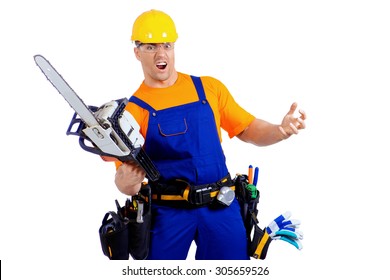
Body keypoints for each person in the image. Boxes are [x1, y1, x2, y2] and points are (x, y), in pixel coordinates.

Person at [114, 9, 306, 260]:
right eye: (150, 47)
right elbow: (124, 181)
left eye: (167, 45)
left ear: (174, 48)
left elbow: (247, 128)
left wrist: (279, 131)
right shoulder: (132, 111)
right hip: (166, 213)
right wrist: (129, 181)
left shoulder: (208, 88)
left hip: (221, 206)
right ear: (137, 52)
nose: (161, 54)